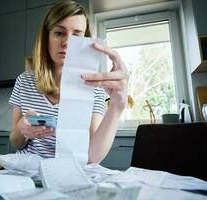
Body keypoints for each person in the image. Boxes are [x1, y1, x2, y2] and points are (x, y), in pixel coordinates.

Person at [9, 0, 129, 164]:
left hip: (69, 175)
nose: (67, 42)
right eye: (59, 33)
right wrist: (22, 129)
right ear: (46, 38)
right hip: (26, 173)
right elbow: (15, 142)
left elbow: (92, 158)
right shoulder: (24, 81)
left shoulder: (94, 88)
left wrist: (117, 105)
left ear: (85, 40)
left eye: (77, 35)